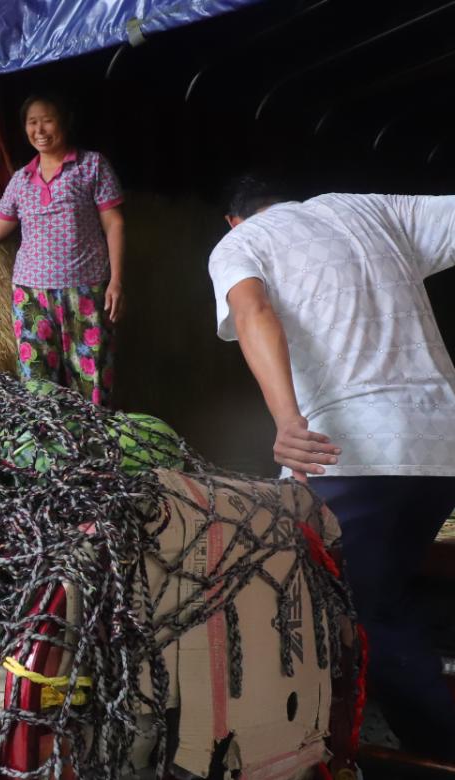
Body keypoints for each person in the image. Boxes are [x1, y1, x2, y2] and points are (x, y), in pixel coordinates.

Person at [207, 175, 455, 761]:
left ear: (233, 220)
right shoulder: (373, 208)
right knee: (382, 595)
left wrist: (287, 420)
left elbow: (252, 311)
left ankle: (431, 752)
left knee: (354, 613)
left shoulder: (241, 244)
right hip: (439, 443)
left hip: (356, 449)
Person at [0, 93, 126, 406]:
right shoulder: (21, 180)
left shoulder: (92, 166)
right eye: (32, 122)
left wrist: (116, 281)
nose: (40, 129)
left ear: (65, 122)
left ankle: (92, 450)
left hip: (86, 289)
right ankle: (46, 449)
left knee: (93, 382)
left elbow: (114, 224)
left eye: (48, 120)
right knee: (35, 383)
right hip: (31, 295)